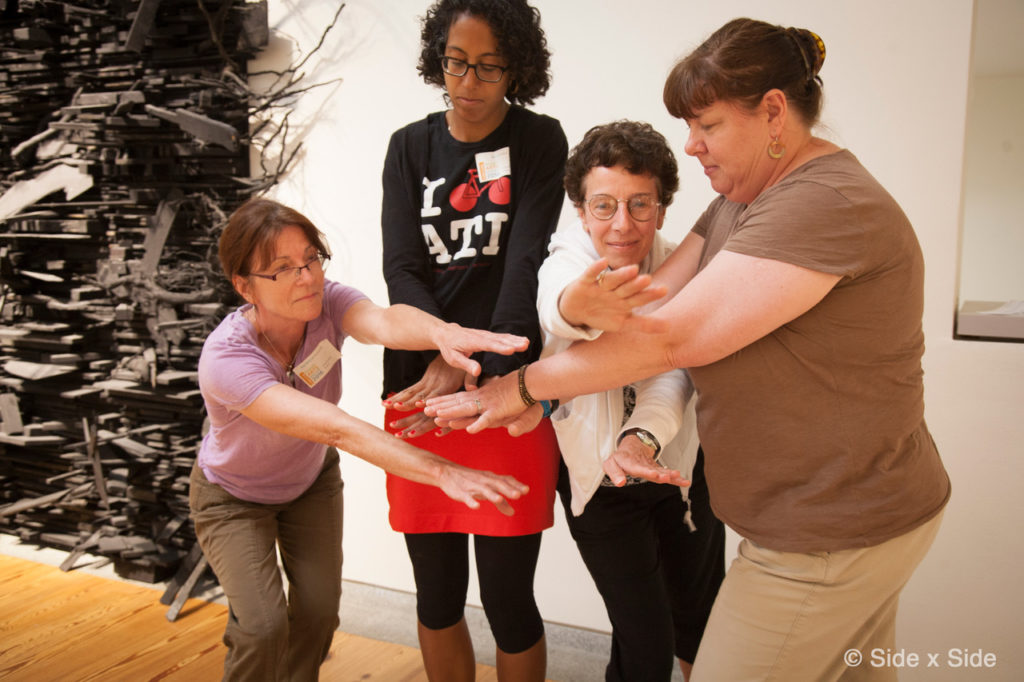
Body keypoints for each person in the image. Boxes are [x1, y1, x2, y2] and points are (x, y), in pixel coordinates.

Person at [427, 17, 951, 681]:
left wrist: (523, 386)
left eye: (707, 125)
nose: (692, 145)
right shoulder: (743, 201)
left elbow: (670, 338)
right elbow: (652, 302)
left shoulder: (821, 204)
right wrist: (571, 311)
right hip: (838, 518)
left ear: (772, 113)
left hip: (827, 533)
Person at [190, 197, 534, 682]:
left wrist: (443, 334)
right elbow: (336, 428)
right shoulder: (228, 359)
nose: (307, 276)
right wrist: (441, 471)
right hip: (234, 496)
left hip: (309, 483)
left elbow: (384, 321)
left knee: (318, 614)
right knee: (264, 627)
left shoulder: (326, 303)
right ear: (244, 286)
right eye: (283, 269)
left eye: (311, 258)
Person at [378, 1, 566, 680]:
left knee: (509, 596)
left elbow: (525, 264)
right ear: (438, 57)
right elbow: (401, 266)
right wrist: (443, 353)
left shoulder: (539, 141)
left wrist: (479, 367)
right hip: (420, 386)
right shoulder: (409, 145)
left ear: (516, 68)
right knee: (436, 595)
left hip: (504, 388)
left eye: (489, 67)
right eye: (457, 62)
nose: (469, 81)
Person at [537, 120, 725, 682]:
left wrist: (642, 439)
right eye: (604, 206)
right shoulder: (568, 260)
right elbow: (559, 305)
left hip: (681, 473)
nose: (622, 225)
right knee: (646, 645)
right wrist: (581, 309)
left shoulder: (685, 266)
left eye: (640, 205)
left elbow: (676, 372)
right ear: (580, 208)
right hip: (603, 486)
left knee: (703, 627)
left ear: (663, 209)